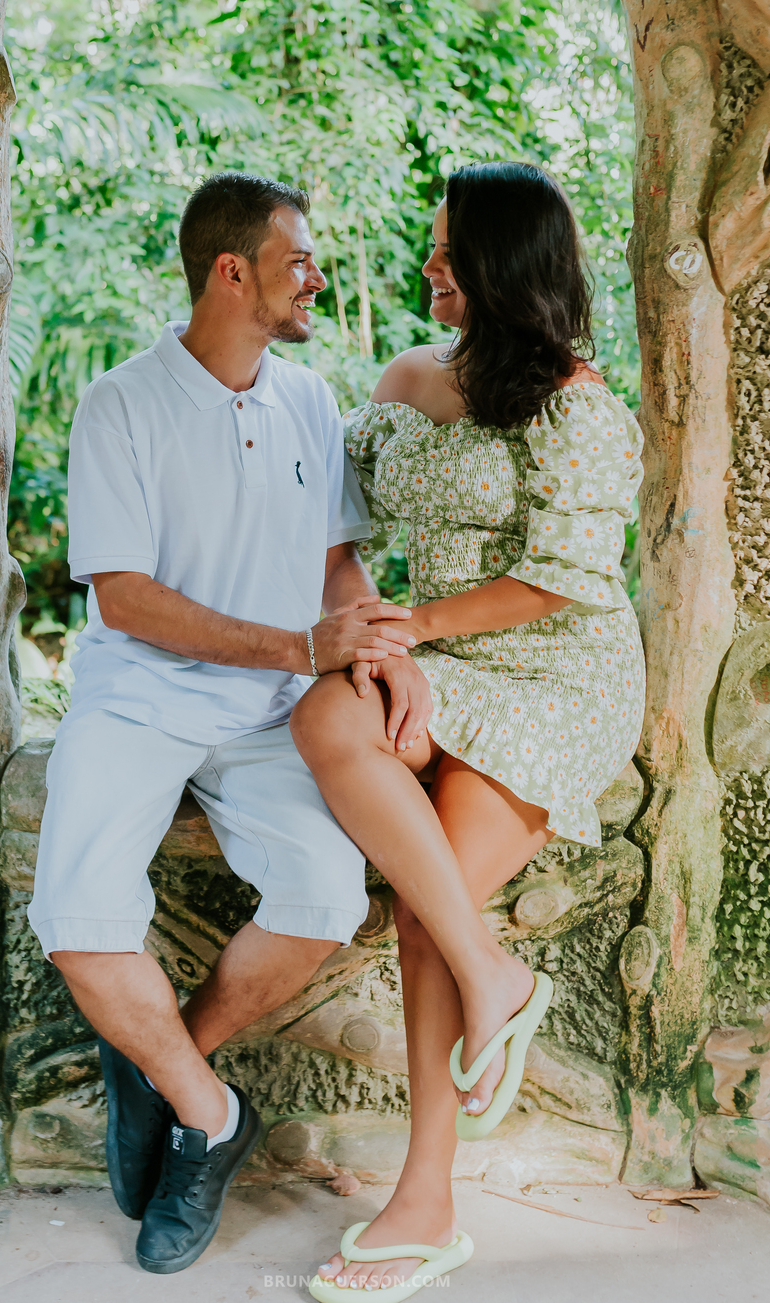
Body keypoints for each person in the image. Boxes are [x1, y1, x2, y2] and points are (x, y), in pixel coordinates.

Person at [27, 171, 420, 1276]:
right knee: (76, 917)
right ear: (231, 270)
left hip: (272, 714)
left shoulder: (308, 397)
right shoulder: (120, 404)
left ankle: (157, 1061)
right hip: (138, 695)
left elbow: (339, 566)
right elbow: (126, 598)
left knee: (327, 897)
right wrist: (299, 647)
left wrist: (378, 659)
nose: (318, 275)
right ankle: (208, 1112)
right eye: (300, 258)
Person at [292, 162, 646, 1301]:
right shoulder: (405, 376)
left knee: (418, 905)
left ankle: (426, 1198)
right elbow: (328, 519)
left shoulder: (578, 405)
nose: (430, 262)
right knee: (323, 713)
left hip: (559, 671)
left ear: (506, 264)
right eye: (433, 243)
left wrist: (414, 633)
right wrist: (368, 627)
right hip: (431, 654)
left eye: (450, 247)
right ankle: (495, 975)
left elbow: (562, 579)